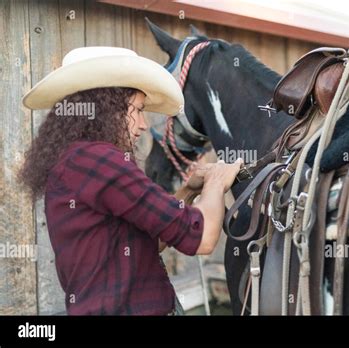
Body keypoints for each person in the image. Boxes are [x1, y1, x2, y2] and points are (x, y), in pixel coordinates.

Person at [19, 46, 241, 315]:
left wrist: (188, 191)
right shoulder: (99, 160)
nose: (144, 124)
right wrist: (216, 182)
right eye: (137, 109)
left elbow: (149, 239)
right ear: (106, 109)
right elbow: (203, 238)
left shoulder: (77, 161)